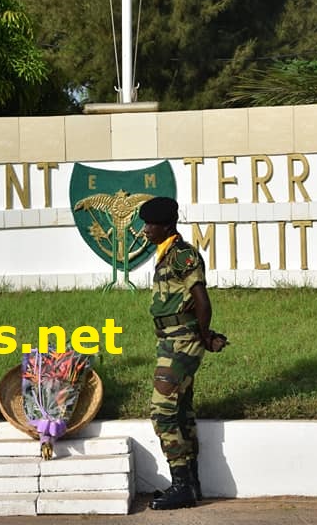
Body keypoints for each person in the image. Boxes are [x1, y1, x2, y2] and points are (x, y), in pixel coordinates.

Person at [138, 196, 228, 510]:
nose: (146, 230)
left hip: (182, 341)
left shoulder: (182, 256)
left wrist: (204, 336)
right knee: (181, 411)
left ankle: (181, 484)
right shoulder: (166, 255)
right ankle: (190, 483)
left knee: (161, 411)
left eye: (150, 224)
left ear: (166, 225)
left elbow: (202, 301)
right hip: (170, 339)